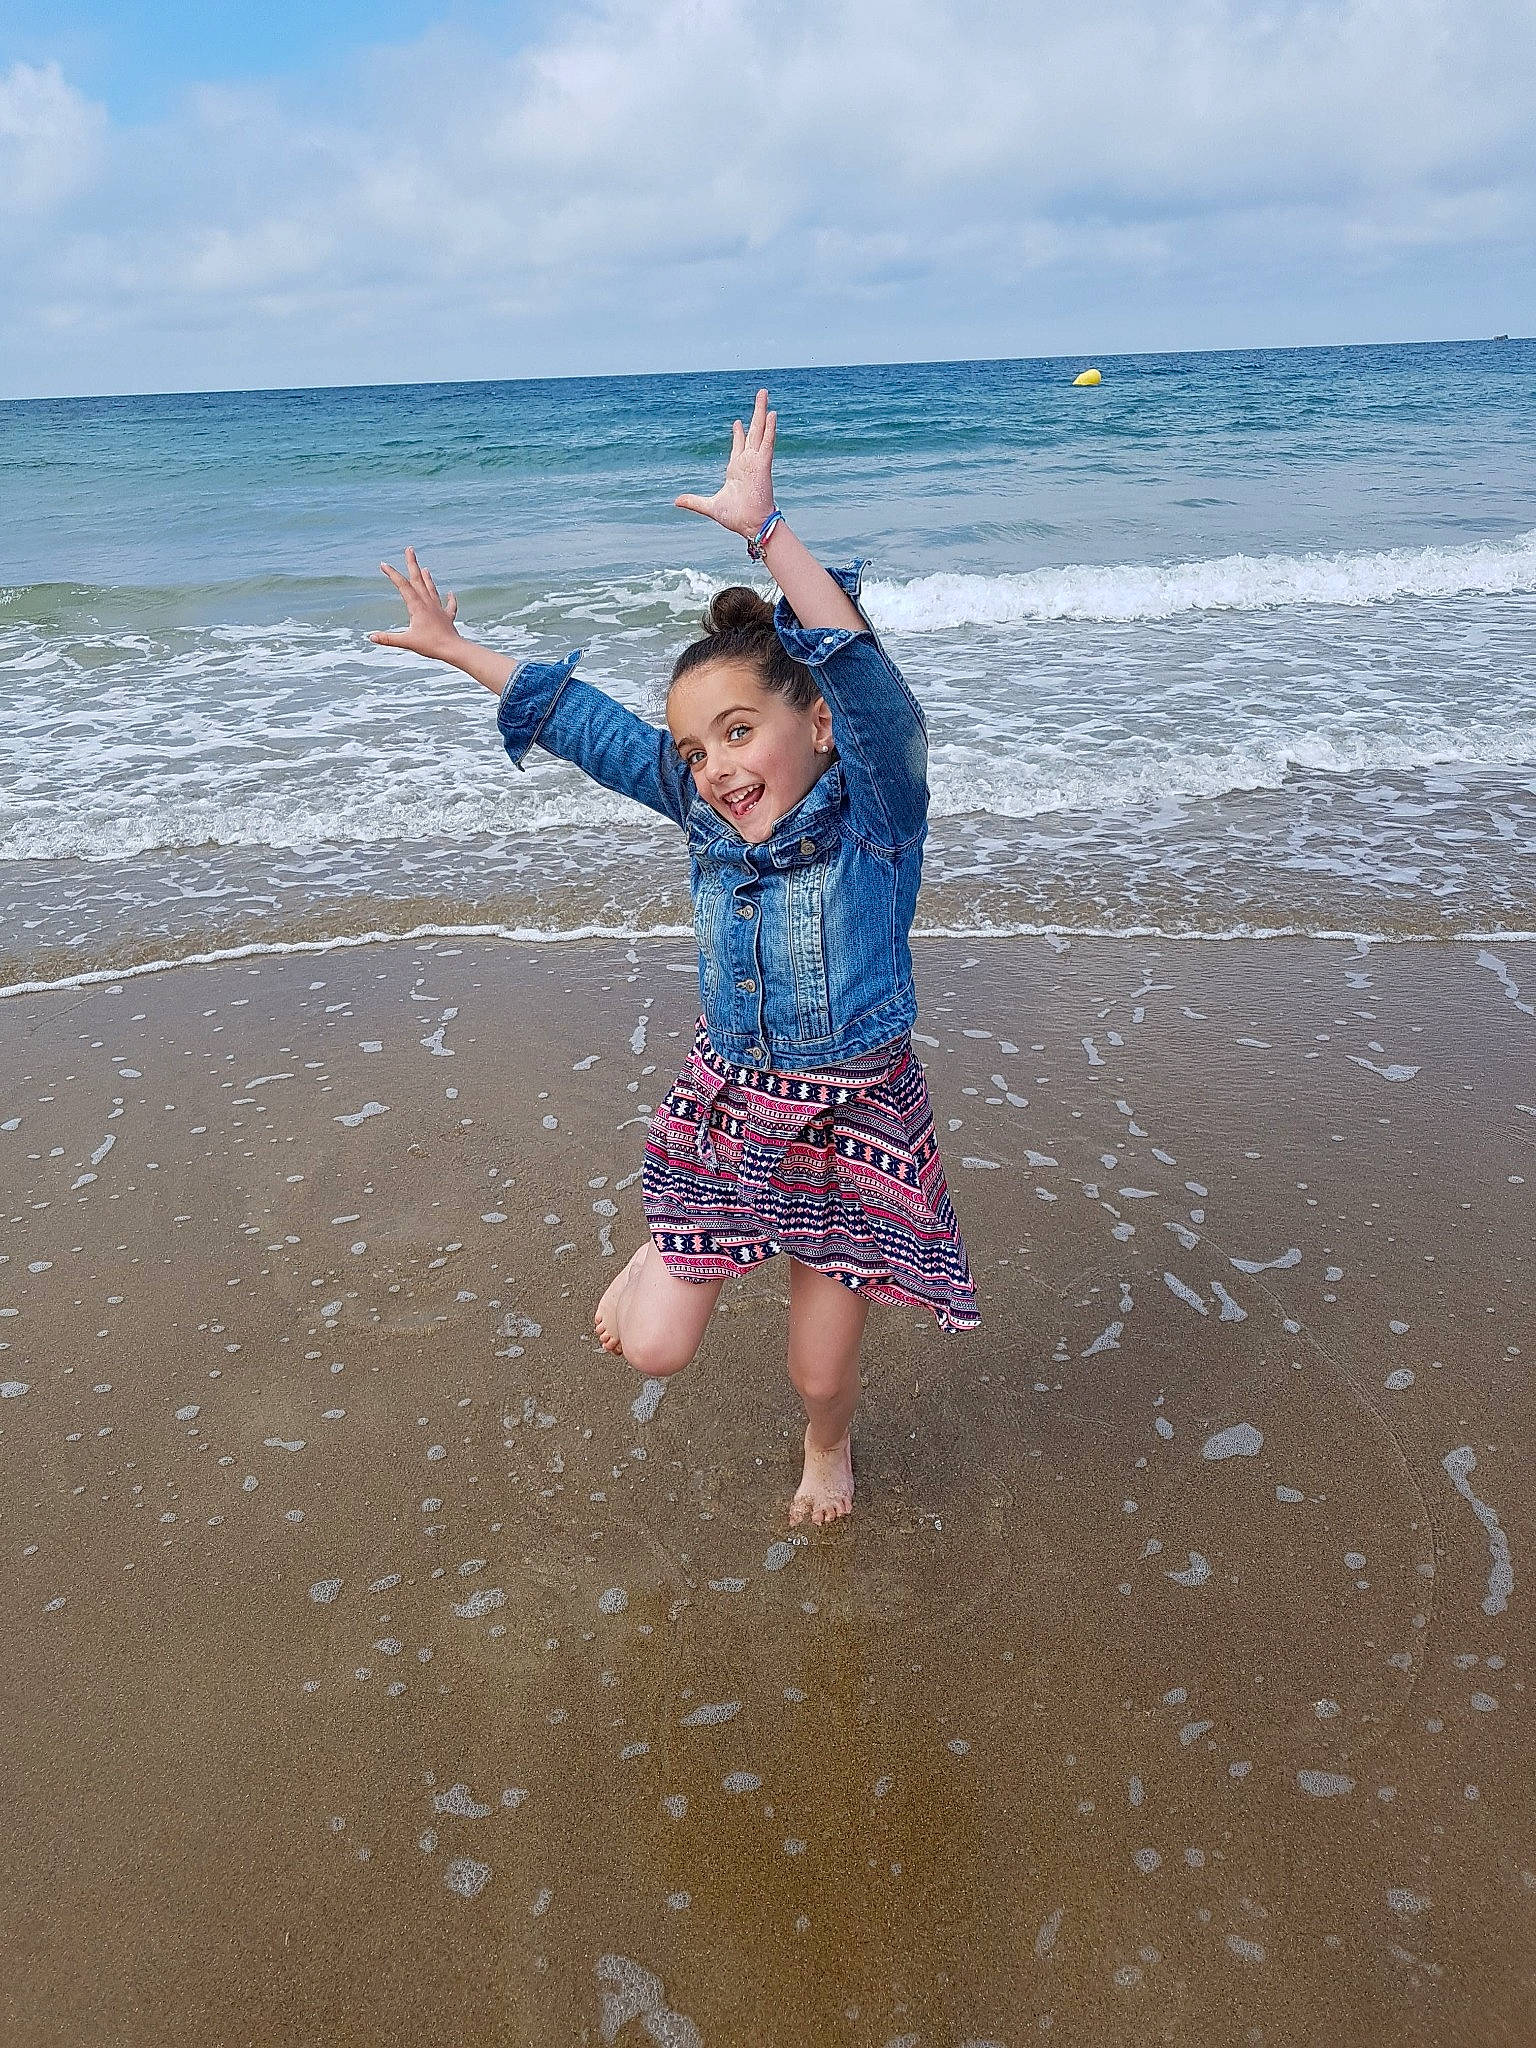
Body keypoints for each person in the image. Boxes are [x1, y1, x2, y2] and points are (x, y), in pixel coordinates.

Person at [370, 389, 978, 1527]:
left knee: (819, 1370)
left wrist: (768, 531)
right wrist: (459, 650)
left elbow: (867, 676)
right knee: (649, 1347)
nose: (715, 768)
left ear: (819, 726)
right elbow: (593, 729)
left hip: (853, 1125)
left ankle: (826, 1446)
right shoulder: (704, 815)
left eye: (740, 732)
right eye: (697, 750)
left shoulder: (877, 816)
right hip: (736, 1102)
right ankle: (676, 1228)